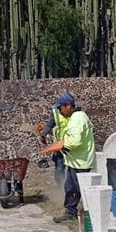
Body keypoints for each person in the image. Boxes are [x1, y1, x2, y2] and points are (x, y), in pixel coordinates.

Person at [53, 93, 96, 223]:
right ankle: (71, 212)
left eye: (61, 108)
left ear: (68, 106)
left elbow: (76, 141)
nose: (60, 111)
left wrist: (63, 146)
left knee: (82, 189)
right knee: (70, 187)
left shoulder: (77, 119)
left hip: (80, 162)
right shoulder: (78, 116)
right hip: (75, 161)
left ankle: (94, 215)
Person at [35, 97, 68, 186]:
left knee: (73, 168)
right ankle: (61, 186)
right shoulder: (55, 113)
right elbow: (50, 125)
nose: (59, 110)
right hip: (59, 145)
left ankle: (73, 188)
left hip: (72, 144)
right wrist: (43, 134)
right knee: (59, 167)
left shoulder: (75, 114)